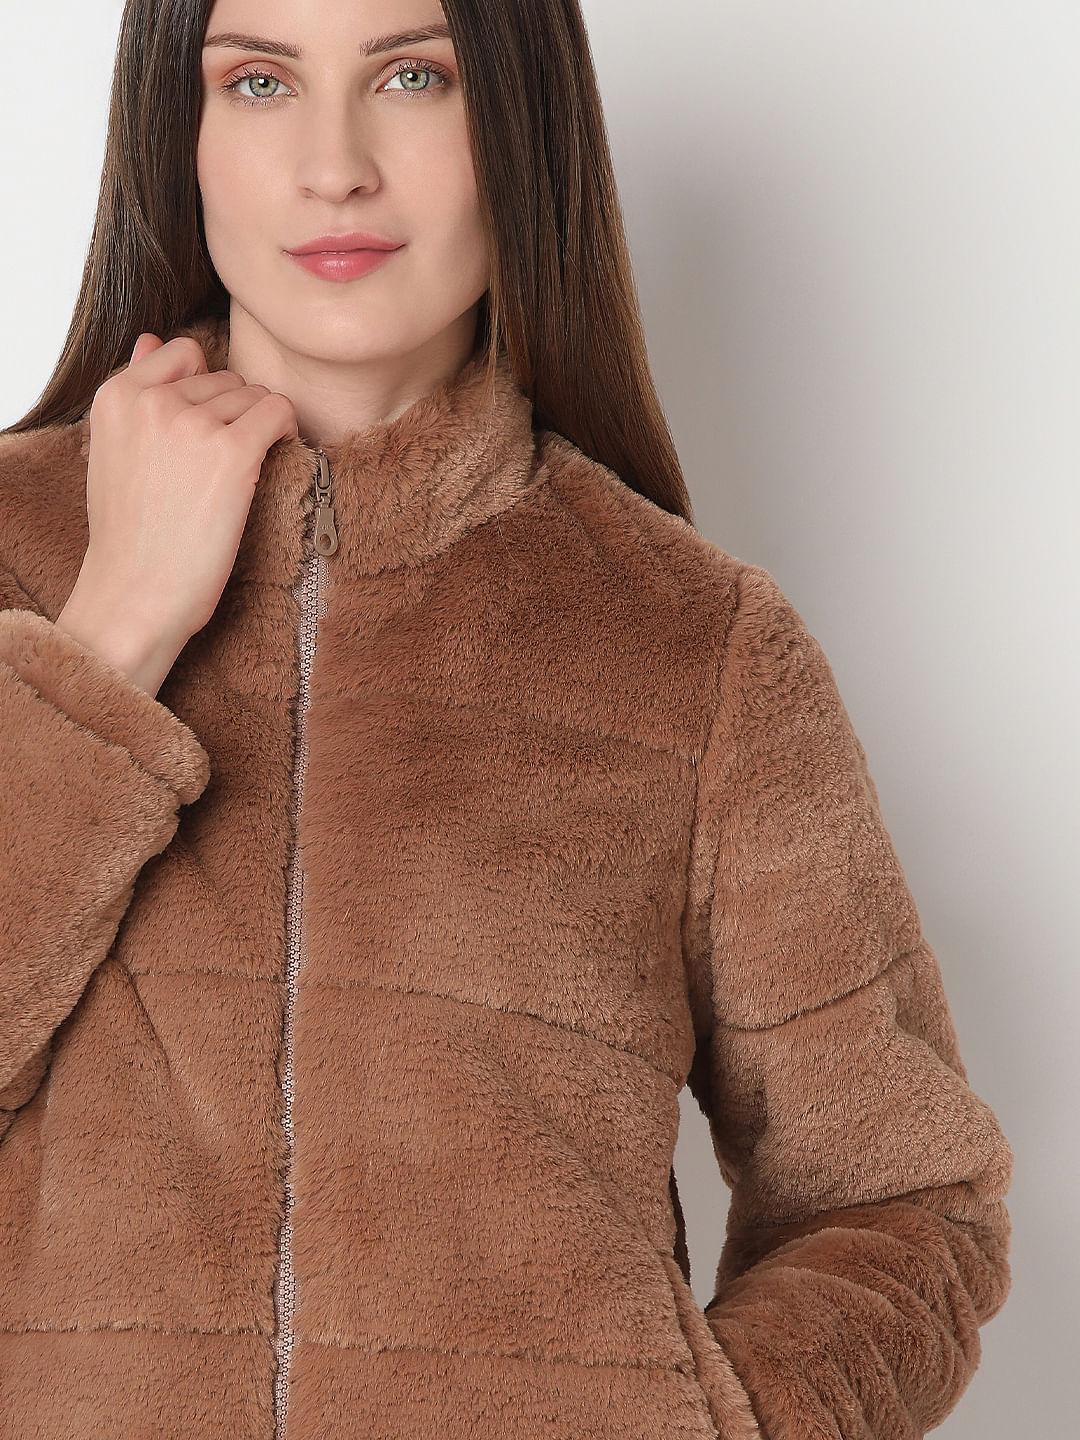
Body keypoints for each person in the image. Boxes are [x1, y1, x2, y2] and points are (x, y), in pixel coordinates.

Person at [0, 1, 1013, 1437]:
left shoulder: (696, 643)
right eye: (260, 82)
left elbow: (904, 1201)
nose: (335, 164)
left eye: (414, 75)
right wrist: (108, 639)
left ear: (520, 125)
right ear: (182, 133)